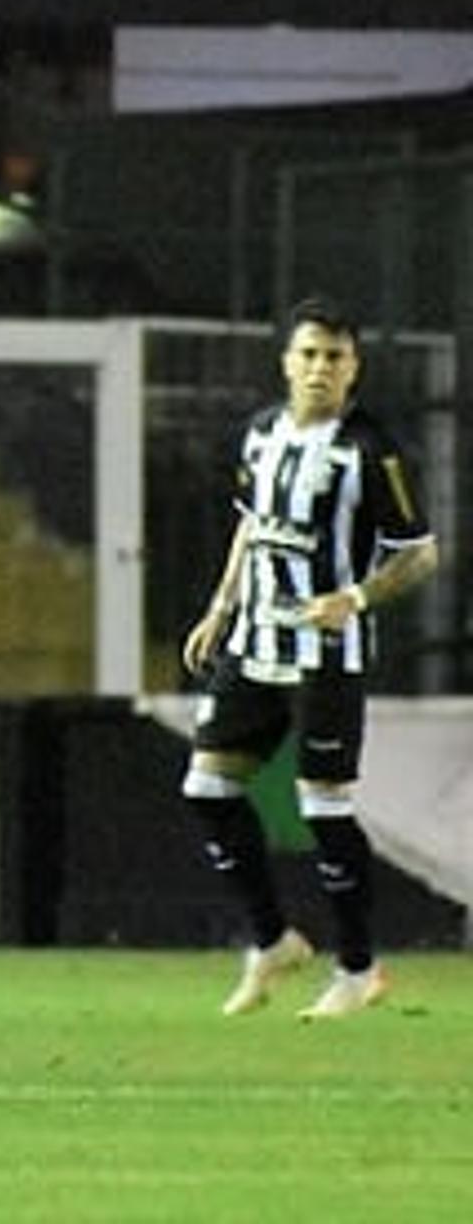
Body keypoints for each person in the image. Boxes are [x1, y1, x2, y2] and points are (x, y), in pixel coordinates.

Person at [178, 295, 439, 1020]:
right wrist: (221, 606)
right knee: (207, 792)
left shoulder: (372, 450)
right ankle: (272, 941)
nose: (321, 367)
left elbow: (420, 554)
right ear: (287, 362)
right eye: (310, 354)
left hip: (328, 652)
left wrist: (354, 597)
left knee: (323, 805)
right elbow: (249, 526)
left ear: (354, 369)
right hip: (254, 642)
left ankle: (358, 969)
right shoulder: (259, 434)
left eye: (336, 357)